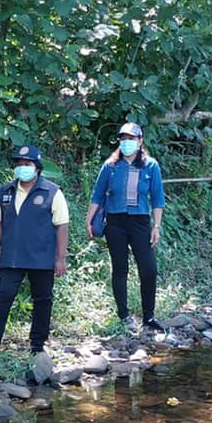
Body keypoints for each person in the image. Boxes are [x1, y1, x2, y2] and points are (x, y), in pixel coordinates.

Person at [0, 144, 70, 354]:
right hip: (12, 255)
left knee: (43, 299)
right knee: (3, 295)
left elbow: (62, 225)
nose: (22, 167)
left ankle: (37, 344)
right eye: (19, 164)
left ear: (37, 167)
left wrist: (60, 258)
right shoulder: (6, 192)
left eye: (27, 164)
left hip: (42, 256)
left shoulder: (52, 192)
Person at [84, 122, 166, 332]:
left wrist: (156, 226)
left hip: (140, 221)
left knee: (148, 269)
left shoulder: (151, 166)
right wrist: (89, 220)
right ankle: (124, 315)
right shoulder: (110, 166)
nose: (127, 142)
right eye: (123, 139)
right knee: (120, 268)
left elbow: (157, 198)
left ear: (140, 141)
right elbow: (97, 194)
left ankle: (149, 316)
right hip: (115, 222)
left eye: (131, 139)